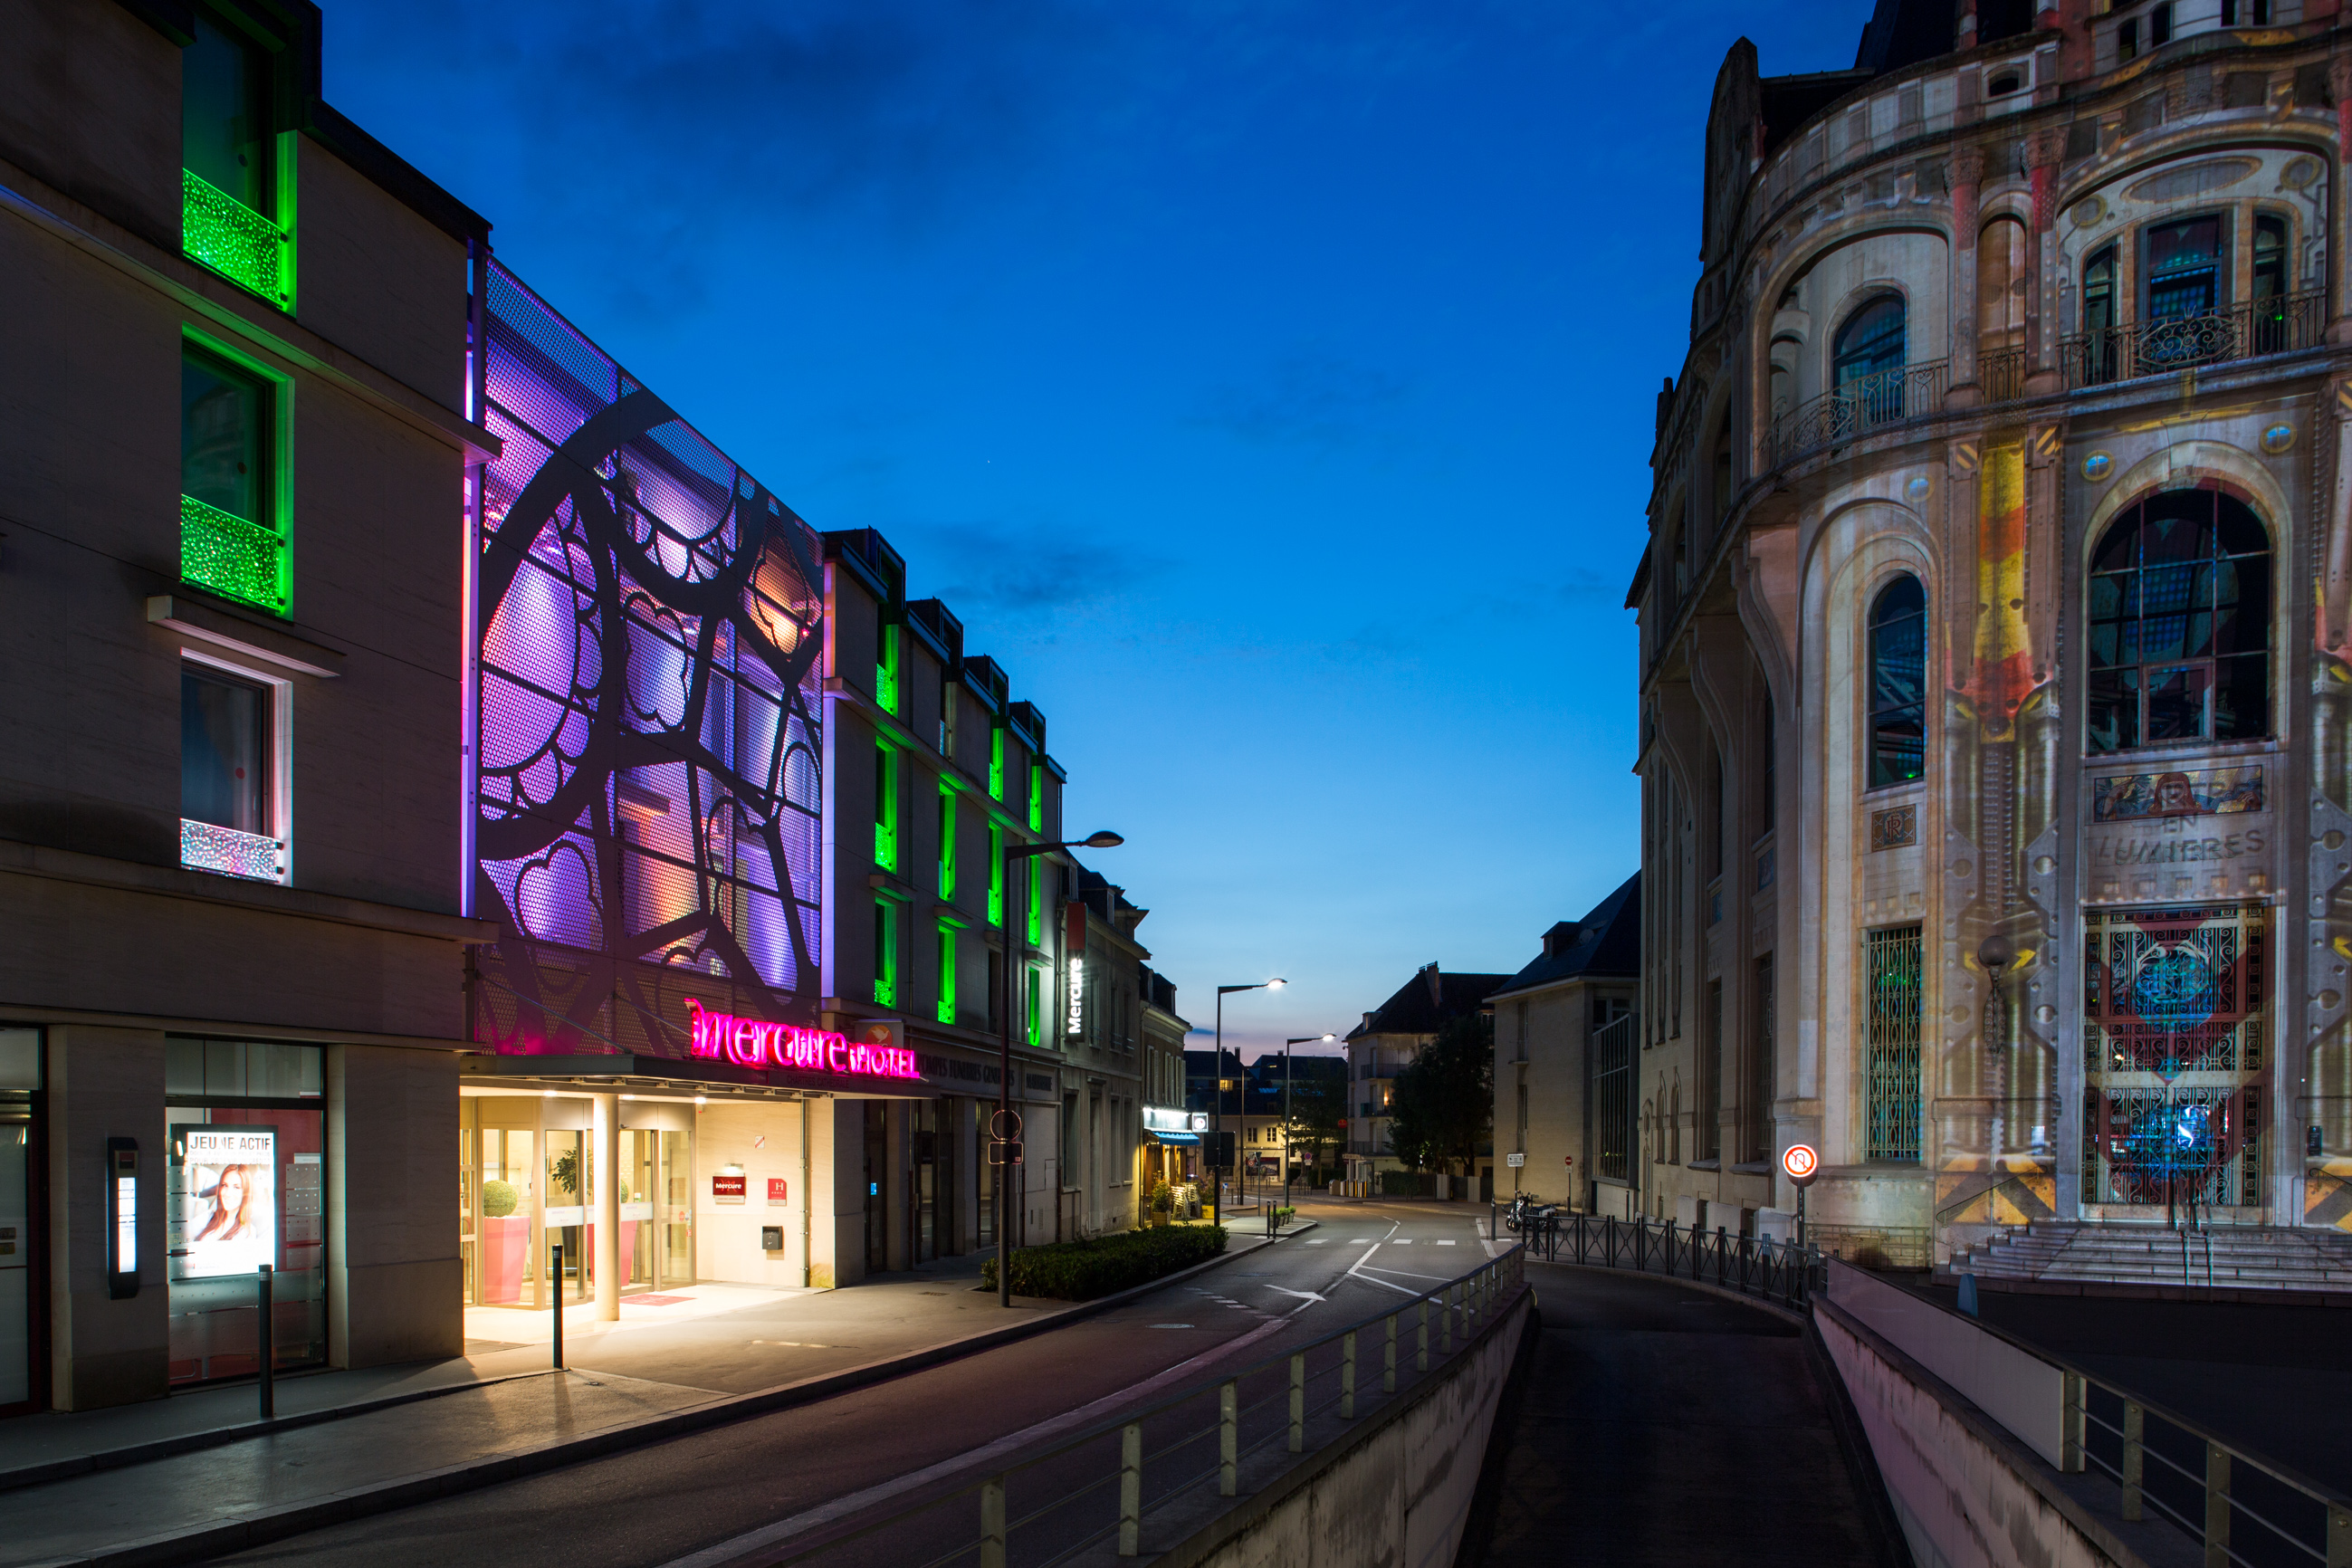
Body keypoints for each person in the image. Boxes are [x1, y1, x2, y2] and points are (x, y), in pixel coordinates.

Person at [192, 1162, 262, 1244]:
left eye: (236, 1187)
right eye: (224, 1185)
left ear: (245, 1193)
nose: (227, 1193)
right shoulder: (208, 1216)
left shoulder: (247, 1232)